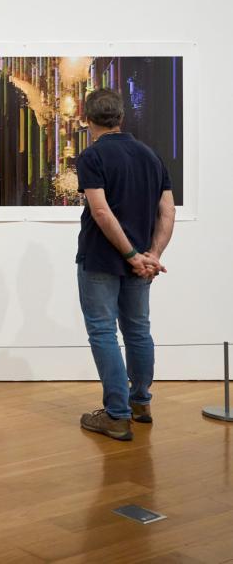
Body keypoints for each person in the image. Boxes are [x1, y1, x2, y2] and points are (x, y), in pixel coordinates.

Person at [75, 88, 175, 442]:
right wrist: (152, 255)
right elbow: (167, 210)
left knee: (103, 332)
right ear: (121, 117)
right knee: (138, 330)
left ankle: (116, 416)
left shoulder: (92, 156)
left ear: (88, 119)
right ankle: (140, 404)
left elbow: (101, 212)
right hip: (141, 264)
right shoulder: (150, 155)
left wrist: (133, 255)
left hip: (102, 258)